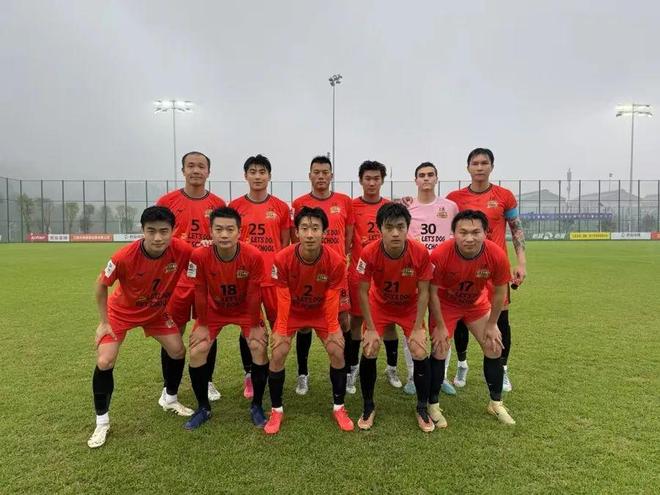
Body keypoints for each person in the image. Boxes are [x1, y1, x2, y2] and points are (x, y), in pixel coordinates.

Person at [87, 206, 194, 448]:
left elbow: (202, 261)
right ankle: (102, 422)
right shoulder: (124, 256)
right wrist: (104, 322)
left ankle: (170, 398)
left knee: (177, 350)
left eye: (164, 231)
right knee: (105, 361)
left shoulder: (182, 250)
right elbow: (101, 285)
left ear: (173, 231)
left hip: (155, 312)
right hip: (120, 313)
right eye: (151, 231)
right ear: (142, 230)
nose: (158, 237)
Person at [264, 207, 354, 434]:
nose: (310, 234)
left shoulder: (335, 261)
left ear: (324, 232)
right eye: (304, 228)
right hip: (293, 312)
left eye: (315, 228)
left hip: (321, 312)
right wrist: (280, 329)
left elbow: (332, 298)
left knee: (337, 350)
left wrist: (333, 328)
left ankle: (339, 407)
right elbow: (283, 297)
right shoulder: (282, 258)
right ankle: (276, 410)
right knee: (278, 352)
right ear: (297, 232)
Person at [447, 148, 526, 392]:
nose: (479, 167)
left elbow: (516, 229)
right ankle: (462, 364)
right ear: (468, 167)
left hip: (495, 270)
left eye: (484, 163)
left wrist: (521, 262)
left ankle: (502, 369)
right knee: (461, 319)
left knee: (501, 320)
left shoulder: (504, 196)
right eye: (475, 163)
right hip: (464, 270)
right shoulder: (454, 198)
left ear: (492, 166)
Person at [183, 207, 270, 430]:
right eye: (219, 229)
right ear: (210, 231)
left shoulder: (253, 255)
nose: (224, 234)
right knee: (198, 350)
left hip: (245, 309)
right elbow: (199, 291)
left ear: (239, 232)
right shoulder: (199, 256)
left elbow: (254, 294)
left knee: (258, 346)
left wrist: (254, 325)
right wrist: (202, 324)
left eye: (230, 229)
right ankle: (203, 408)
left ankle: (257, 406)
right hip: (213, 310)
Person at [428, 209, 516, 425]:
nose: (469, 238)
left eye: (476, 232)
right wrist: (439, 325)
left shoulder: (496, 254)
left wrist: (493, 324)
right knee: (440, 347)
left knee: (494, 346)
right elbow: (432, 292)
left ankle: (495, 403)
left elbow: (500, 291)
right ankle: (432, 405)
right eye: (463, 232)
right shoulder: (440, 254)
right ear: (454, 233)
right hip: (446, 305)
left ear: (485, 232)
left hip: (476, 305)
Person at [156, 151, 229, 402]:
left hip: (206, 279)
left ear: (208, 172)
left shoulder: (218, 204)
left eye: (201, 166)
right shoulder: (167, 201)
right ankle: (169, 387)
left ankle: (206, 381)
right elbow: (157, 237)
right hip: (175, 279)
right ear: (183, 170)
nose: (196, 170)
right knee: (172, 332)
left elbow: (226, 239)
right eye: (191, 166)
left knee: (208, 329)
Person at [356, 203, 436, 432]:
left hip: (409, 307)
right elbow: (362, 291)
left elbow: (424, 292)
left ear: (407, 228)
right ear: (380, 228)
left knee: (419, 349)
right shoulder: (369, 252)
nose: (395, 233)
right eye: (389, 227)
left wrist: (418, 328)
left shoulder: (420, 252)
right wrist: (370, 328)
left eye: (400, 227)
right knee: (370, 347)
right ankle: (368, 406)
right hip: (379, 305)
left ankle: (422, 407)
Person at [228, 154, 291, 399]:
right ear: (245, 176)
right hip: (247, 280)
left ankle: (275, 370)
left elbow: (284, 246)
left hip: (273, 281)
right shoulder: (235, 207)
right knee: (248, 329)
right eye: (252, 172)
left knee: (279, 327)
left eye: (262, 172)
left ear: (269, 176)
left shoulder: (281, 207)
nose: (257, 176)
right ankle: (249, 375)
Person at [290, 156, 353, 396]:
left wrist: (337, 257)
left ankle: (345, 371)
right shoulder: (299, 203)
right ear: (310, 175)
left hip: (336, 272)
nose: (321, 176)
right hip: (307, 274)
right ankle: (302, 374)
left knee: (344, 322)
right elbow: (295, 238)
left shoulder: (344, 201)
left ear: (331, 175)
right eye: (316, 172)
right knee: (305, 325)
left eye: (325, 172)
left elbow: (348, 236)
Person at [399, 162, 459, 396]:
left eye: (430, 175)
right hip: (414, 276)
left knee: (443, 326)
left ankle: (441, 376)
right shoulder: (407, 206)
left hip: (443, 276)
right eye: (421, 175)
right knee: (413, 326)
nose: (426, 178)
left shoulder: (450, 207)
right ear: (415, 180)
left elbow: (456, 236)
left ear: (436, 178)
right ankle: (413, 376)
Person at [346, 160, 397, 395]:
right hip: (360, 274)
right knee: (356, 322)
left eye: (376, 178)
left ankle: (392, 368)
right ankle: (352, 369)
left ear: (382, 181)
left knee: (388, 323)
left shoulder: (390, 207)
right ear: (361, 180)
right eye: (368, 178)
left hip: (386, 276)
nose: (372, 183)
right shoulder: (351, 206)